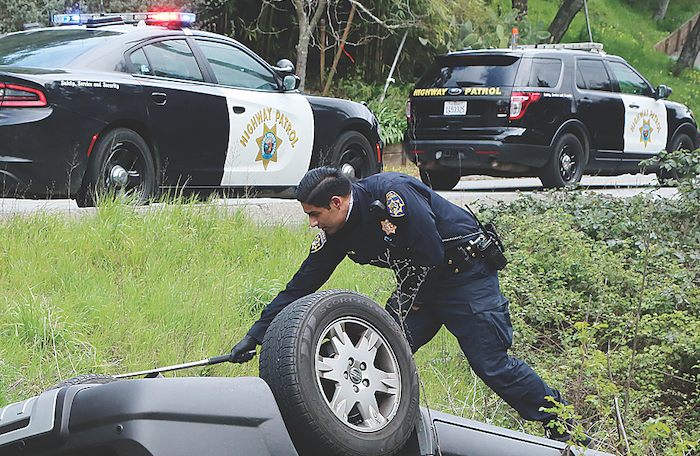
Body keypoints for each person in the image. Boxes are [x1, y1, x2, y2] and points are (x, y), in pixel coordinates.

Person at [230, 168, 577, 441]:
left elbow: (432, 254)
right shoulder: (337, 232)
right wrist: (256, 334)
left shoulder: (393, 195)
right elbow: (301, 285)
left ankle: (563, 425)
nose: (312, 223)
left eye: (315, 214)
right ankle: (354, 425)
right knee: (375, 352)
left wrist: (409, 305)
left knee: (492, 365)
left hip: (464, 278)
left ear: (337, 202)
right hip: (419, 287)